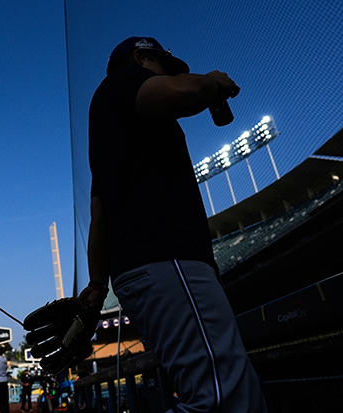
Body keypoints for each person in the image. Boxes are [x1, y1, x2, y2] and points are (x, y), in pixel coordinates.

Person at [84, 36, 268, 412]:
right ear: (141, 57)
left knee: (220, 394)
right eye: (163, 67)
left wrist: (96, 285)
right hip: (166, 258)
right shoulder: (123, 81)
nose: (166, 74)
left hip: (142, 272)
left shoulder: (111, 129)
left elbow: (99, 216)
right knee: (225, 401)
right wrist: (213, 81)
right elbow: (188, 91)